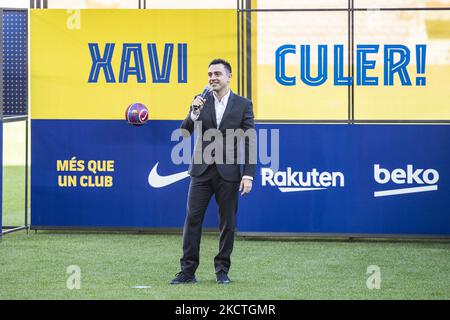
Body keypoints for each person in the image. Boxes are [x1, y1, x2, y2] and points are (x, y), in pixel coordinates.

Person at [170, 59, 255, 284]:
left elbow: (249, 141)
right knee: (192, 219)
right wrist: (193, 113)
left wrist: (248, 174)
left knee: (227, 223)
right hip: (201, 171)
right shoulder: (200, 101)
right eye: (209, 74)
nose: (212, 78)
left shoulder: (243, 104)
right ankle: (187, 272)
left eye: (217, 73)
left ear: (229, 77)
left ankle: (222, 271)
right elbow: (184, 132)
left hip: (229, 173)